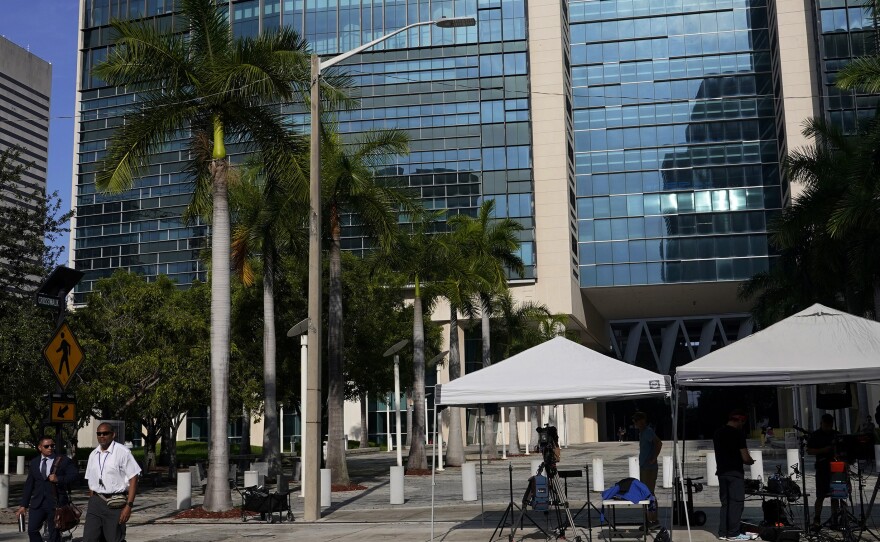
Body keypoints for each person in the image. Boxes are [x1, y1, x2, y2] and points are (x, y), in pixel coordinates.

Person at [83, 423, 141, 542]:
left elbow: (134, 478)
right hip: (96, 502)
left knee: (114, 538)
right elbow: (90, 480)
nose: (102, 436)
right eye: (99, 434)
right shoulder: (93, 455)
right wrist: (92, 500)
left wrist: (129, 506)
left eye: (105, 433)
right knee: (89, 538)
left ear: (113, 434)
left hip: (115, 502)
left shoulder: (122, 452)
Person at [16, 436, 79, 542]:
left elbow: (74, 475)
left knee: (54, 534)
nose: (50, 448)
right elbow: (29, 485)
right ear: (40, 447)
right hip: (38, 503)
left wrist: (58, 479)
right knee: (32, 530)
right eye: (47, 446)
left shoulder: (63, 460)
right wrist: (23, 505)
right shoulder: (35, 462)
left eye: (52, 445)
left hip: (56, 503)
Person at [713, 408, 757, 541]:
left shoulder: (718, 432)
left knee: (725, 503)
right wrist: (751, 461)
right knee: (736, 503)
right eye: (743, 422)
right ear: (740, 420)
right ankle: (733, 533)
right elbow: (745, 457)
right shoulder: (738, 434)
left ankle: (722, 532)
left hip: (722, 472)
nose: (743, 424)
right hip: (735, 473)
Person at [807, 413, 840, 529]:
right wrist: (823, 450)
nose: (827, 428)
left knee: (836, 495)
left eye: (829, 426)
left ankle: (835, 518)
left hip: (836, 468)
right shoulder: (816, 435)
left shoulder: (836, 435)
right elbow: (809, 450)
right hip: (822, 468)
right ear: (821, 424)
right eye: (825, 425)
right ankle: (817, 519)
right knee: (820, 496)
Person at [633, 412, 662, 526]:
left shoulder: (648, 431)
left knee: (649, 493)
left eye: (636, 421)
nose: (635, 424)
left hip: (649, 468)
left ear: (642, 420)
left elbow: (658, 443)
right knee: (645, 493)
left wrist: (654, 458)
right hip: (644, 467)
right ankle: (649, 518)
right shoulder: (642, 433)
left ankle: (653, 519)